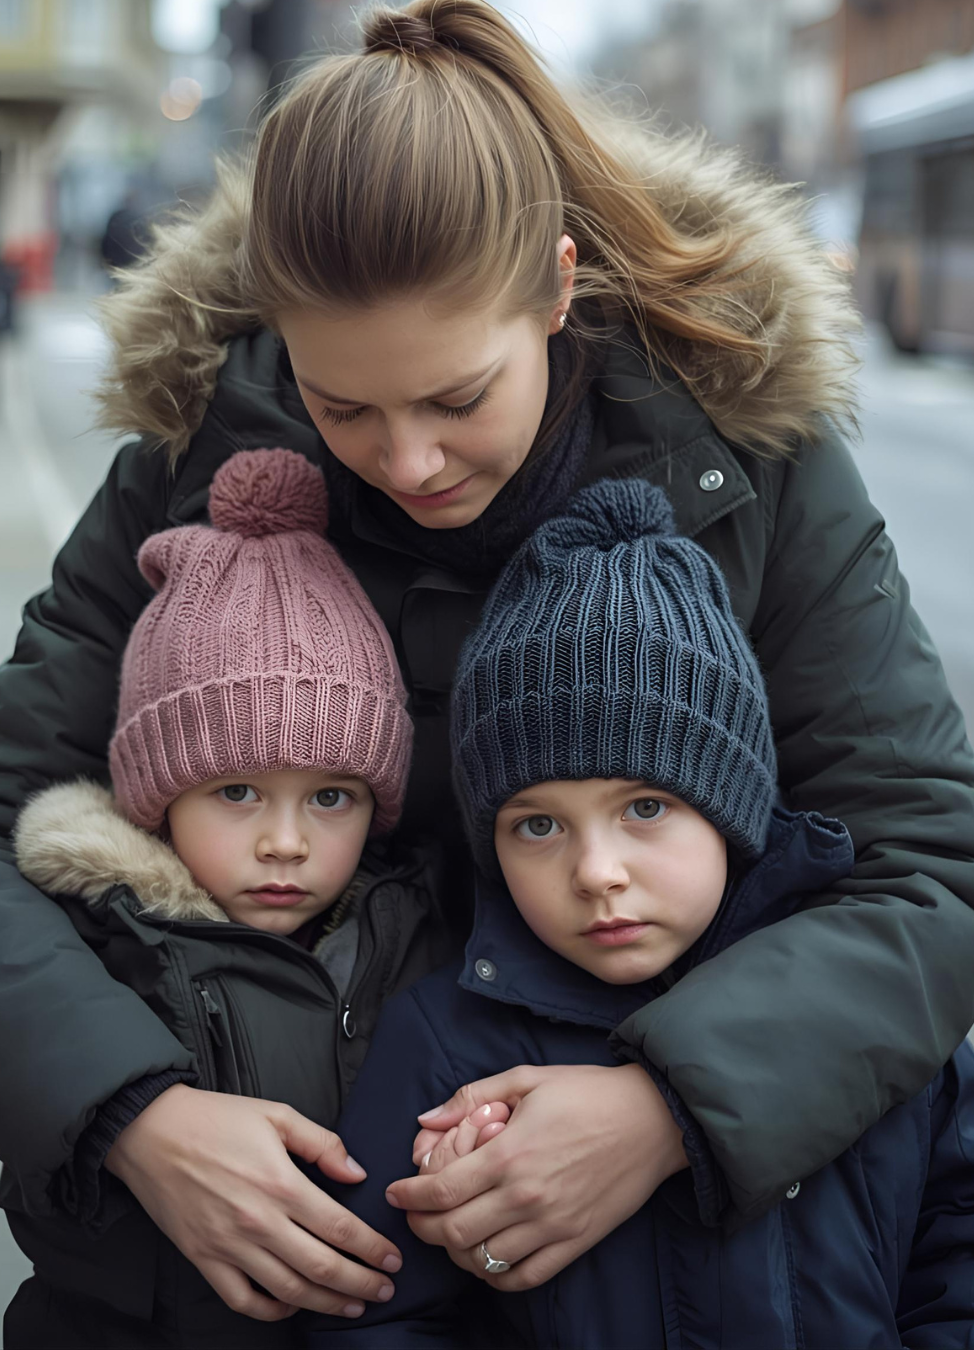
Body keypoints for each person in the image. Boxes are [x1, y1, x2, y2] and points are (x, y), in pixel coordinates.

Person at [0, 0, 972, 1328]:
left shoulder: (746, 465)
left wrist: (674, 1106)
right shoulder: (197, 461)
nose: (407, 462)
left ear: (558, 289)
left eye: (458, 399)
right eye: (341, 405)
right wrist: (131, 1112)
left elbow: (932, 864)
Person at [307, 477, 974, 1349]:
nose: (596, 873)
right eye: (537, 825)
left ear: (732, 809)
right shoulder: (442, 1048)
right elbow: (376, 1316)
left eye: (646, 808)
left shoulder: (871, 1026)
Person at [5, 447, 450, 1346]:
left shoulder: (421, 937)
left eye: (332, 797)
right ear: (157, 799)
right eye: (237, 792)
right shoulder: (93, 953)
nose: (286, 841)